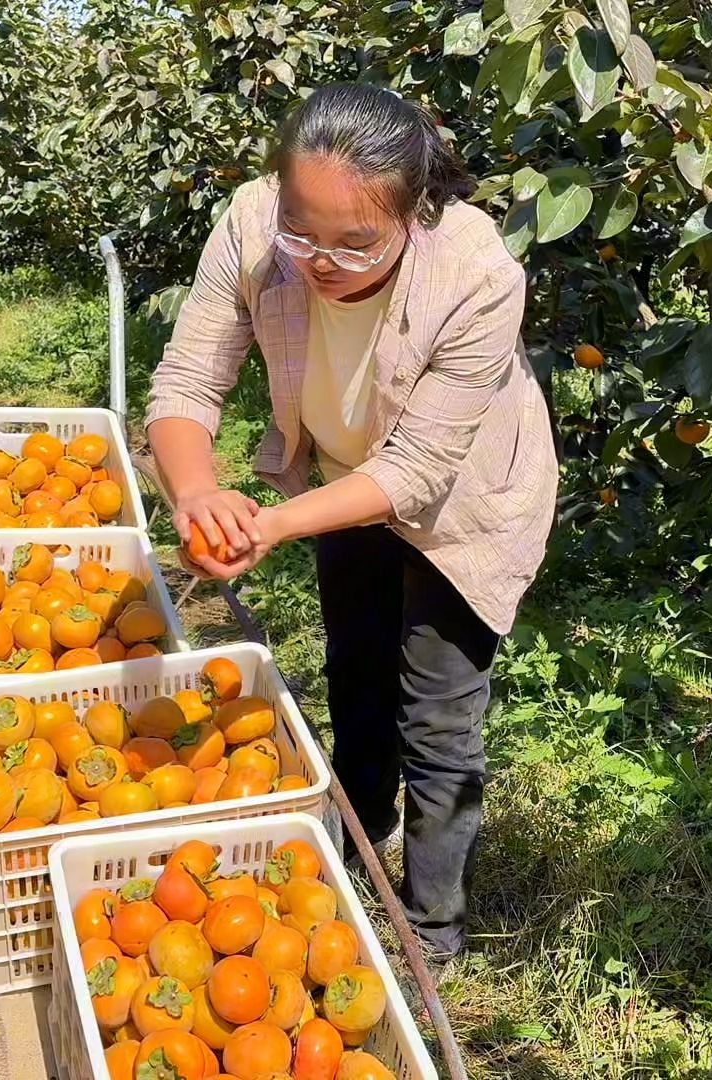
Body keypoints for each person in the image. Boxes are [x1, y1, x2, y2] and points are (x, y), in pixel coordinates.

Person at [144, 83, 557, 961]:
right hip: (341, 479)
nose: (320, 259)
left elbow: (415, 470)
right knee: (354, 664)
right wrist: (196, 494)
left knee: (439, 713)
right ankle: (357, 839)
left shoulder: (478, 276)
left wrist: (271, 524)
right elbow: (187, 382)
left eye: (355, 242)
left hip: (465, 505)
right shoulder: (254, 226)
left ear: (417, 213)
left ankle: (431, 931)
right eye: (302, 231)